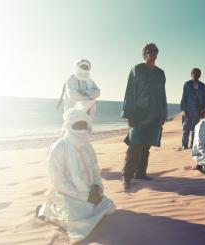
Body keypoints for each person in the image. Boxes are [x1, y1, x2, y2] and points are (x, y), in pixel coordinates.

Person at [36, 109, 115, 244]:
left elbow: (95, 171)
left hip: (89, 191)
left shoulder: (87, 146)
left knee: (109, 205)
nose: (82, 130)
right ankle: (47, 212)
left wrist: (97, 187)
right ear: (69, 126)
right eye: (78, 126)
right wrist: (85, 196)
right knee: (79, 216)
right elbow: (58, 182)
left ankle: (86, 207)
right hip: (66, 193)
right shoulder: (58, 148)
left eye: (85, 126)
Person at [121, 43, 167, 190]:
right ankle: (126, 177)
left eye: (154, 51)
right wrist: (129, 114)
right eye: (149, 51)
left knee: (146, 146)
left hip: (155, 114)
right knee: (135, 145)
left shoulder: (160, 73)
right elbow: (130, 92)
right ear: (144, 54)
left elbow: (162, 95)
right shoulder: (137, 69)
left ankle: (140, 173)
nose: (152, 53)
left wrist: (163, 115)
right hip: (139, 114)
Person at [57, 59, 100, 130]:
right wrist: (90, 96)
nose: (84, 69)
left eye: (86, 67)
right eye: (82, 67)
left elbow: (98, 92)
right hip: (73, 117)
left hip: (87, 118)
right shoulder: (71, 80)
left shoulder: (90, 81)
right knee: (70, 136)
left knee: (84, 137)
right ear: (77, 67)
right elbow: (73, 96)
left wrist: (84, 92)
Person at [180, 68, 205, 149]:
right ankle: (184, 145)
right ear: (191, 74)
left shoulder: (202, 86)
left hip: (198, 110)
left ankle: (193, 145)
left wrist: (204, 110)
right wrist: (183, 109)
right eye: (194, 73)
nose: (196, 75)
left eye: (198, 73)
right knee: (186, 128)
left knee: (195, 129)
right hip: (188, 110)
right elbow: (184, 98)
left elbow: (204, 98)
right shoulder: (187, 84)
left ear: (200, 75)